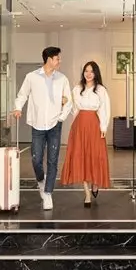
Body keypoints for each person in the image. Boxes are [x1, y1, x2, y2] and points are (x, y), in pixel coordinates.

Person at [13, 46, 72, 210]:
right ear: (49, 59)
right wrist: (18, 108)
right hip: (37, 124)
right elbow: (22, 95)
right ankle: (41, 180)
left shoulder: (62, 79)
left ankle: (48, 193)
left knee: (52, 160)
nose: (59, 61)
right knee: (36, 159)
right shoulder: (32, 77)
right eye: (57, 58)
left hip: (55, 125)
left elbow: (69, 100)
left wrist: (61, 117)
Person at [61, 61, 111, 207]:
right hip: (79, 126)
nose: (88, 74)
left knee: (95, 156)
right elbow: (72, 107)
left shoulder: (101, 90)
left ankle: (95, 183)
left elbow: (105, 109)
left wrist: (103, 127)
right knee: (81, 156)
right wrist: (63, 107)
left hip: (94, 125)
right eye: (86, 71)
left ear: (96, 73)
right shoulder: (77, 89)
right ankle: (87, 194)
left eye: (91, 71)